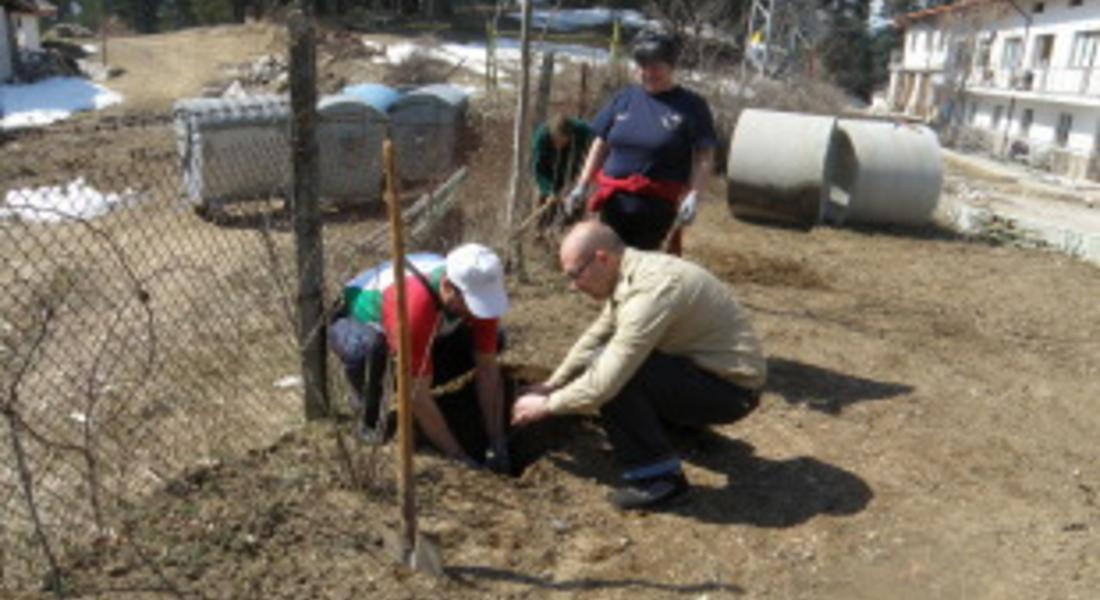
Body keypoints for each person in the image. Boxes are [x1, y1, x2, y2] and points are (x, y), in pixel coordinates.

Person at [511, 222, 766, 510]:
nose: (574, 286)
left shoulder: (651, 291)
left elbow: (604, 383)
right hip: (708, 376)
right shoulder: (633, 274)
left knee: (620, 376)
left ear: (602, 258)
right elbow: (598, 335)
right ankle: (680, 431)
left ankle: (660, 481)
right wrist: (552, 383)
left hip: (733, 393)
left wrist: (546, 406)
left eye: (575, 275)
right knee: (613, 359)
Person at [329, 244, 511, 473]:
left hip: (425, 326)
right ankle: (368, 418)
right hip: (355, 321)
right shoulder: (413, 308)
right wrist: (460, 458)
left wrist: (498, 441)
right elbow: (416, 394)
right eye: (472, 304)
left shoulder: (477, 291)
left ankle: (434, 390)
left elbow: (487, 369)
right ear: (447, 287)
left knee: (496, 340)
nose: (478, 311)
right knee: (367, 351)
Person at [565, 32, 717, 254]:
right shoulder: (624, 98)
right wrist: (582, 184)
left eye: (655, 67)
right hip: (614, 204)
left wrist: (694, 195)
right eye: (641, 66)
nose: (647, 73)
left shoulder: (692, 106)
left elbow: (704, 156)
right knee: (611, 269)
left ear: (671, 67)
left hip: (658, 209)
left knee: (649, 274)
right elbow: (601, 143)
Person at [531, 114, 593, 228]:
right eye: (555, 141)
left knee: (575, 206)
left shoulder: (583, 132)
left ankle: (571, 233)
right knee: (543, 208)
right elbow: (538, 171)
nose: (558, 145)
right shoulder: (541, 138)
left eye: (561, 141)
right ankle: (539, 235)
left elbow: (597, 146)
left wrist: (579, 181)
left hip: (573, 173)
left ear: (570, 135)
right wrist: (548, 191)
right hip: (549, 174)